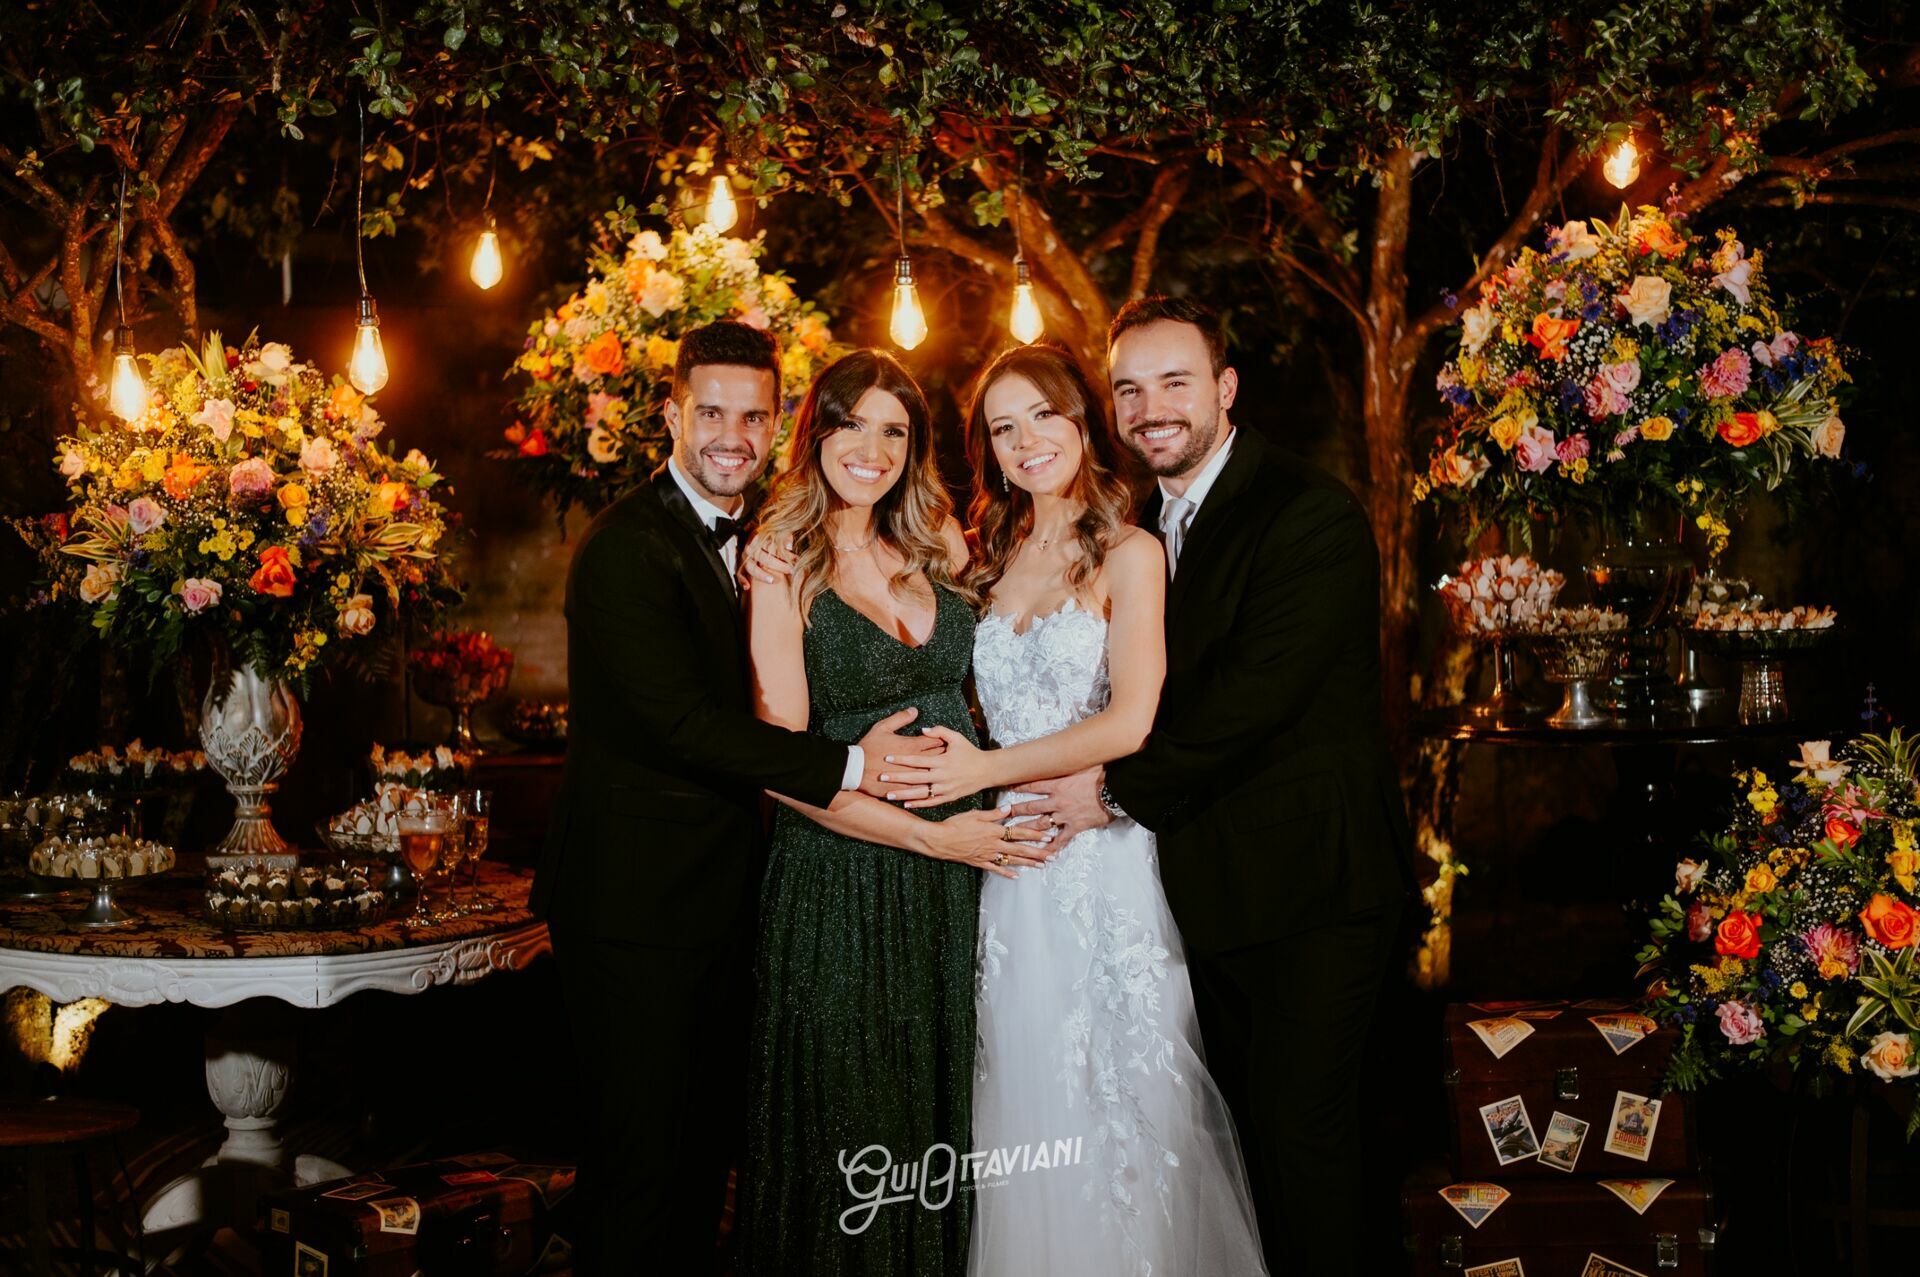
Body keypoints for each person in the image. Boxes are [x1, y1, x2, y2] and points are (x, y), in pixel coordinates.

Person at [1004, 298, 1417, 1277]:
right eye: (1131, 388)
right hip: (1199, 889)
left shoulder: (1307, 512)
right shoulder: (1132, 524)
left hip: (1317, 888)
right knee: (1231, 1150)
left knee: (1304, 1138)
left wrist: (1106, 790)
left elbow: (1250, 699)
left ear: (1226, 389)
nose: (1152, 408)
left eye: (1175, 382)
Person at [531, 322, 945, 1272]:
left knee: (698, 1169)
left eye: (752, 415)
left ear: (776, 425)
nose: (732, 434)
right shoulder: (625, 549)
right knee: (638, 1170)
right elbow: (685, 726)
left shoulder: (761, 540)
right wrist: (850, 765)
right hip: (634, 908)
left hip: (723, 899)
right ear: (671, 414)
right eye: (710, 411)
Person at [874, 343, 1270, 1276]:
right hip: (1009, 869)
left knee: (1130, 1102)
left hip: (1102, 860)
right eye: (1003, 429)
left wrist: (990, 764)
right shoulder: (980, 559)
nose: (1025, 442)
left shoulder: (1133, 553)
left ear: (1083, 422)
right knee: (1024, 1098)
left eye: (1042, 416)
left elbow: (1132, 721)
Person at [735, 349, 1052, 1277]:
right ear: (816, 432)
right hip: (845, 879)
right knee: (856, 1120)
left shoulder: (938, 543)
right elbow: (783, 769)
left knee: (942, 1113)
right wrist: (931, 832)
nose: (871, 449)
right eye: (852, 424)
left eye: (895, 430)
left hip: (957, 891)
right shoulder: (783, 564)